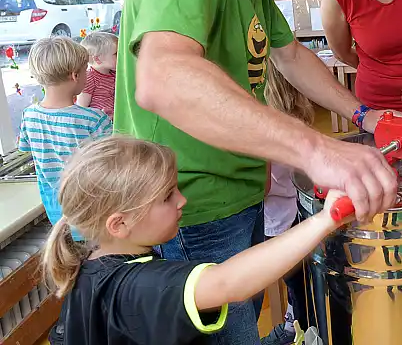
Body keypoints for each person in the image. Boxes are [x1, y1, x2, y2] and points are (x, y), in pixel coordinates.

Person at [115, 0, 401, 344]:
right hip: (190, 206)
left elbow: (290, 54)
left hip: (240, 190)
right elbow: (162, 78)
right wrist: (314, 149)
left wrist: (363, 116)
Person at [43, 136, 349, 345]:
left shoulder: (87, 267)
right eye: (167, 196)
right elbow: (227, 283)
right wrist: (325, 219)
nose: (182, 200)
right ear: (120, 223)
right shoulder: (142, 286)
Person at [18, 36, 112, 228]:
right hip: (94, 213)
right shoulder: (94, 119)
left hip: (56, 214)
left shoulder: (29, 115)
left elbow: (25, 147)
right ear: (75, 76)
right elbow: (113, 164)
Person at [261, 58, 314, 345]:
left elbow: (263, 187)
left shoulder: (266, 130)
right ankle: (300, 320)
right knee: (302, 281)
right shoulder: (297, 121)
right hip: (298, 211)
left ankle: (298, 328)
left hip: (277, 220)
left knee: (294, 283)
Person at [78, 31, 118, 118]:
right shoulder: (89, 78)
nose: (121, 56)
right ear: (98, 59)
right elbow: (82, 107)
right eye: (116, 54)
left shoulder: (114, 73)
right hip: (99, 124)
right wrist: (99, 116)